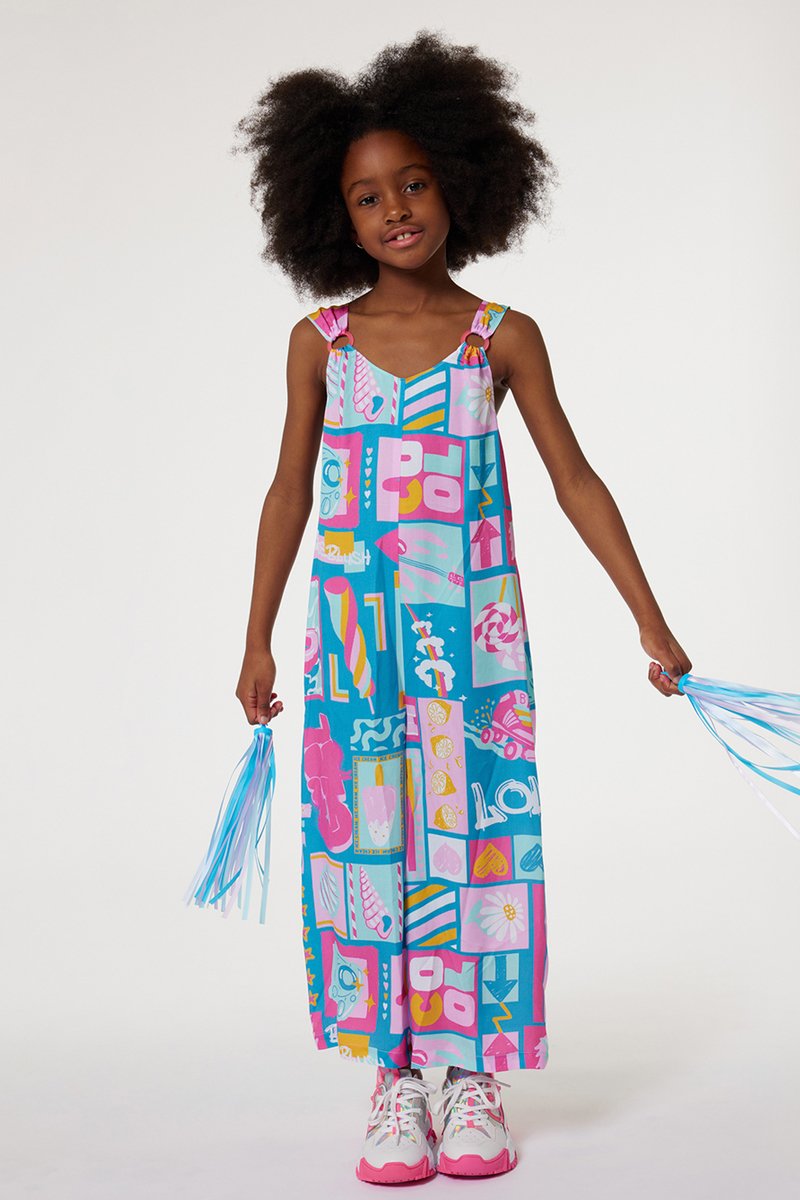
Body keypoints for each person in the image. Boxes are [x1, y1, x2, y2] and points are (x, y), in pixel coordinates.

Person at [231, 29, 692, 1186]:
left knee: (478, 845)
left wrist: (647, 617)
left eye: (414, 184)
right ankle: (394, 1074)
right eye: (366, 195)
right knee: (364, 840)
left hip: (474, 658)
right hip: (353, 655)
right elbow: (288, 490)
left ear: (460, 186)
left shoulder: (501, 338)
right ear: (331, 215)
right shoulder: (320, 344)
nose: (394, 209)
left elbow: (572, 478)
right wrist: (254, 637)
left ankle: (472, 1069)